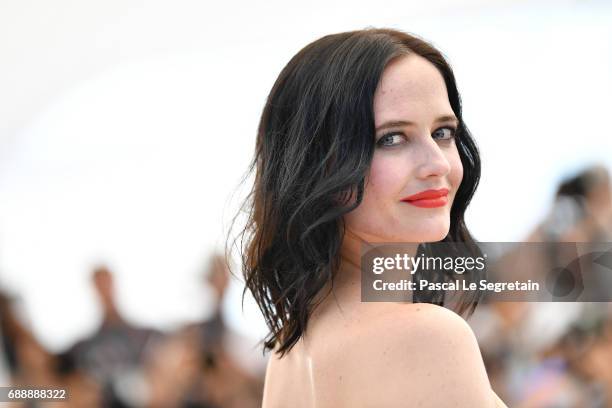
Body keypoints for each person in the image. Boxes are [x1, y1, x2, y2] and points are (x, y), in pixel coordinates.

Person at [231, 28, 507, 407]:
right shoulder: (429, 337)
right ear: (319, 165)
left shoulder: (289, 353)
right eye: (391, 139)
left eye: (443, 132)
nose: (438, 163)